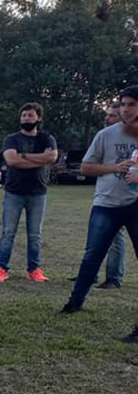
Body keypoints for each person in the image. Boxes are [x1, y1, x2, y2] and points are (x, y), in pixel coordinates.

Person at [61, 87, 138, 339]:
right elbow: (85, 167)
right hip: (107, 204)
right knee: (92, 256)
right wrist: (114, 166)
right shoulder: (106, 135)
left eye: (132, 104)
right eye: (123, 104)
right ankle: (75, 301)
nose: (126, 109)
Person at [0, 102, 58, 282]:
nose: (27, 118)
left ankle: (34, 269)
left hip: (38, 193)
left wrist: (24, 156)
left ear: (39, 118)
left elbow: (51, 157)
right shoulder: (11, 139)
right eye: (24, 115)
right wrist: (39, 159)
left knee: (35, 234)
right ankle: (1, 269)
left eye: (30, 115)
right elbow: (11, 160)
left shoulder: (47, 138)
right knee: (8, 232)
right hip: (14, 192)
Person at [98, 101, 127, 289]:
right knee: (97, 235)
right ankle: (90, 273)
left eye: (112, 115)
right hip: (103, 193)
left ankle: (114, 277)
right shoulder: (104, 137)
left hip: (123, 195)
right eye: (106, 115)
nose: (107, 119)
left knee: (116, 235)